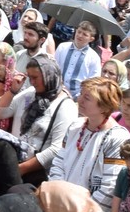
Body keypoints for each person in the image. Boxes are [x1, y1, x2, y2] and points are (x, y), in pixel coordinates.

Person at [47, 77, 130, 208]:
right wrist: (58, 194)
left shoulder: (116, 137)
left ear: (104, 106)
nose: (79, 100)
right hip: (61, 204)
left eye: (87, 98)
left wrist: (82, 210)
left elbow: (110, 187)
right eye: (81, 94)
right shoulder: (76, 126)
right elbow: (58, 162)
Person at [10, 54, 79, 187]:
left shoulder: (65, 106)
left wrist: (22, 169)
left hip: (39, 177)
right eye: (29, 77)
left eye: (35, 77)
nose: (32, 82)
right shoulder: (32, 95)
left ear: (49, 75)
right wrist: (13, 91)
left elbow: (56, 148)